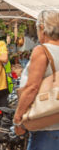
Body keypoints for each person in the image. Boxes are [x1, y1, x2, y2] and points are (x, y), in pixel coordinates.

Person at [14, 9, 59, 148]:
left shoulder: (42, 50)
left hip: (47, 124)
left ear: (42, 28)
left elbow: (32, 87)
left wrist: (18, 118)